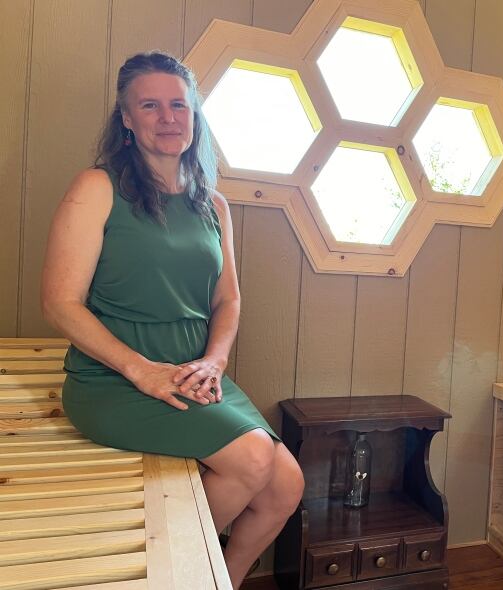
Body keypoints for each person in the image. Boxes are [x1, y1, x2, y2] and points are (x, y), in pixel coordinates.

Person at [40, 51, 304, 588]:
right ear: (127, 120)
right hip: (113, 379)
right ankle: (175, 577)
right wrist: (141, 371)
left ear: (195, 117)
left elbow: (227, 301)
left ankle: (216, 581)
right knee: (254, 460)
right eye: (151, 105)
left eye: (179, 105)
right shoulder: (98, 187)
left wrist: (215, 359)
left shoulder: (214, 205)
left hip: (194, 371)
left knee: (286, 486)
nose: (168, 117)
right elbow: (60, 302)